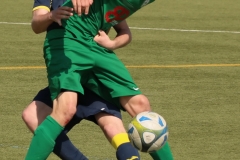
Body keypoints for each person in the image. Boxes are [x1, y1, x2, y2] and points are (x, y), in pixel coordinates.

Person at [25, 0, 174, 159]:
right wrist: (51, 15)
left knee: (140, 104)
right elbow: (36, 25)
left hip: (95, 45)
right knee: (64, 109)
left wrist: (112, 43)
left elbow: (123, 29)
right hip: (67, 40)